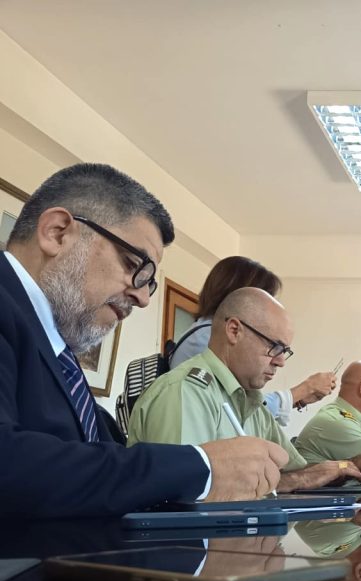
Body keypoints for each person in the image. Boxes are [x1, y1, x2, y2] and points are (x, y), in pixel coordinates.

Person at [0, 163, 286, 517]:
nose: (144, 298)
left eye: (150, 282)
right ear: (57, 233)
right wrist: (202, 466)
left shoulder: (58, 354)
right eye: (133, 264)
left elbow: (99, 463)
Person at [127, 287, 361, 492]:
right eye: (275, 347)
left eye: (285, 351)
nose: (281, 361)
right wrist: (297, 481)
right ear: (234, 331)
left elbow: (295, 471)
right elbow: (186, 494)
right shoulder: (185, 392)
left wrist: (351, 465)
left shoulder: (249, 401)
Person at [169, 255, 337, 427]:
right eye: (263, 299)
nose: (280, 361)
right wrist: (304, 389)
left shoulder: (203, 332)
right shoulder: (208, 338)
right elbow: (235, 412)